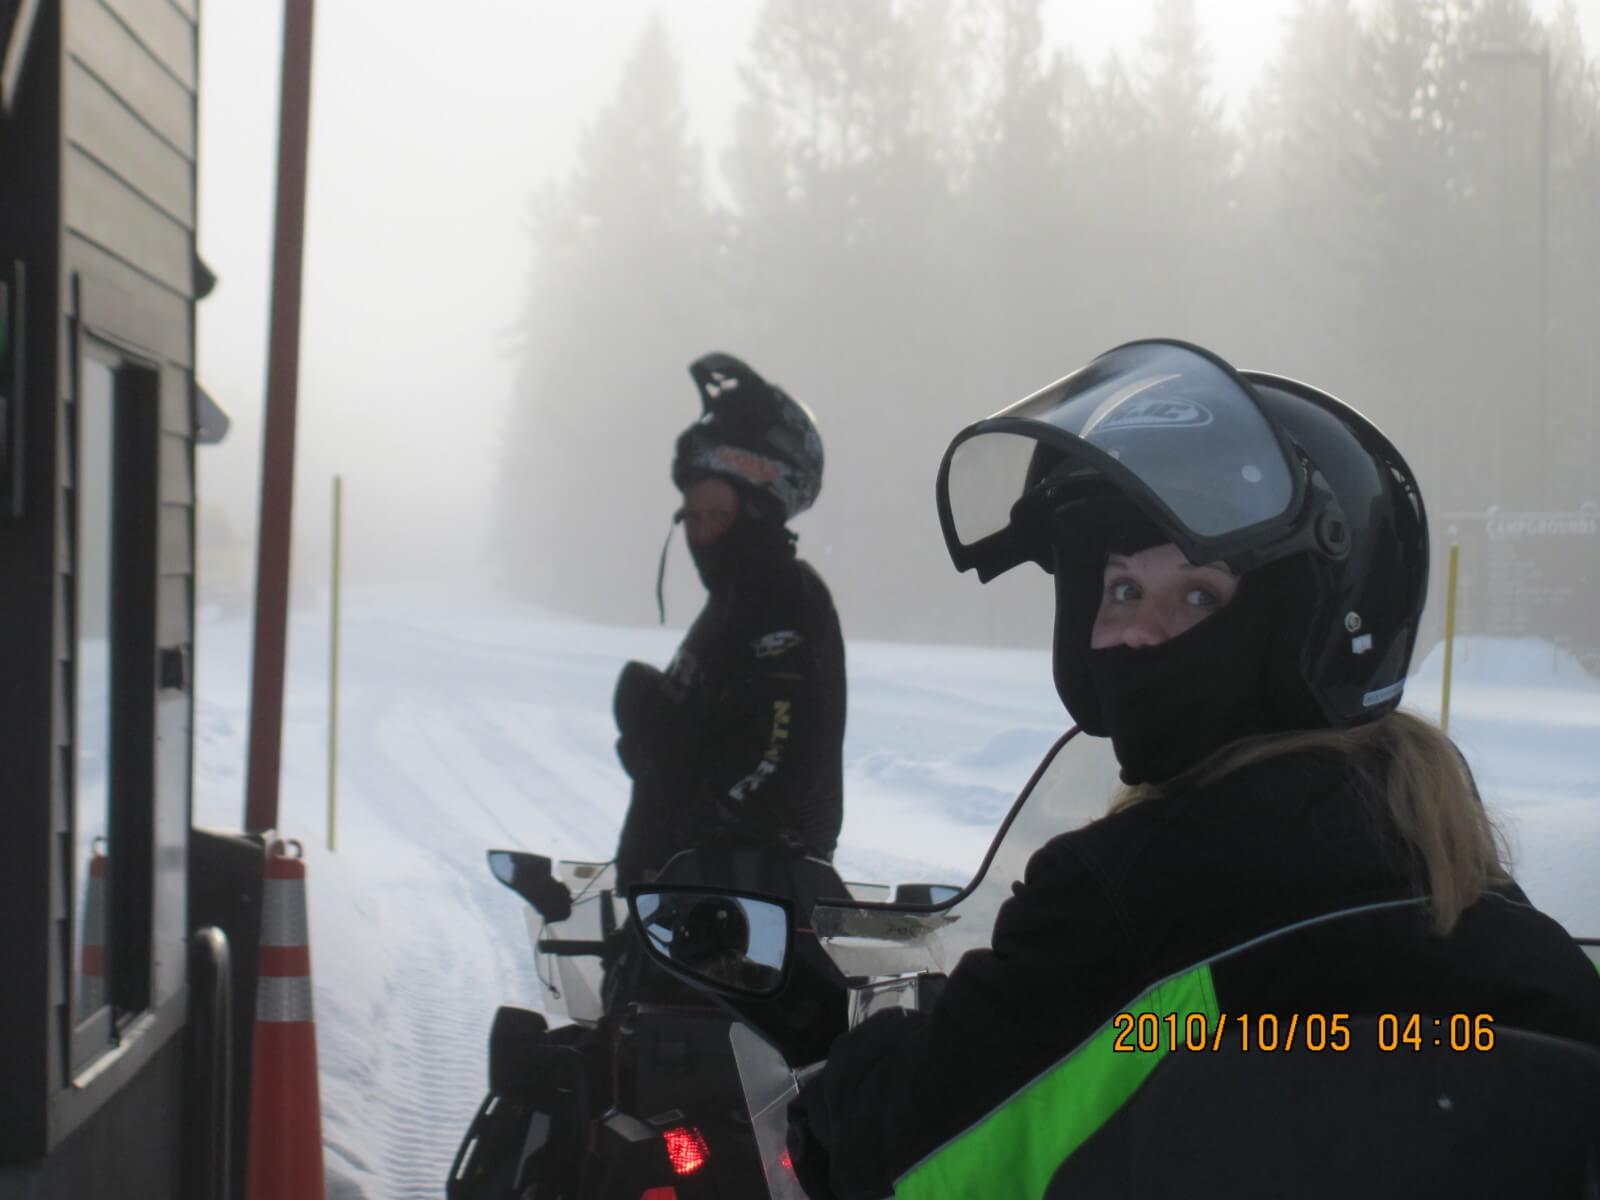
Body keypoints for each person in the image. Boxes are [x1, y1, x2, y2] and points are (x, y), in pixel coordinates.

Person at [785, 339, 1600, 1198]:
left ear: (1302, 628)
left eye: (1199, 594)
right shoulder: (1471, 893)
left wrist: (850, 1073)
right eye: (1122, 589)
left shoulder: (1131, 900)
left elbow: (913, 1160)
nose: (1136, 632)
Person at [611, 352, 846, 891]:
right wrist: (660, 741)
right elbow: (717, 747)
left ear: (760, 509)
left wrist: (682, 809)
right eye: (692, 517)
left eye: (717, 514)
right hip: (686, 902)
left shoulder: (784, 600)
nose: (702, 534)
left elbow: (770, 774)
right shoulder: (733, 605)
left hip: (738, 916)